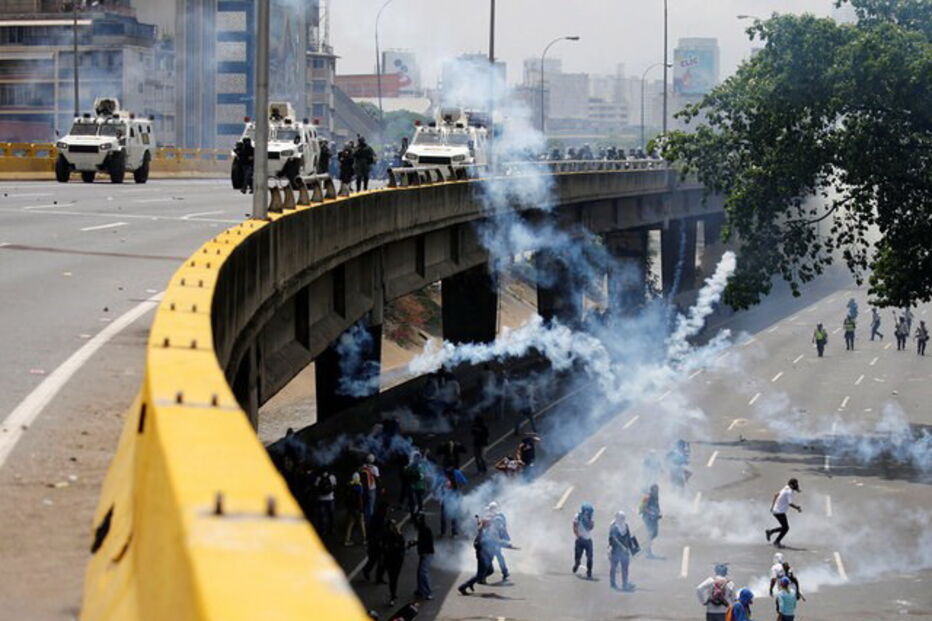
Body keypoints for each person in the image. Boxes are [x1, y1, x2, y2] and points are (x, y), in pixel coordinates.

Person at [458, 516, 496, 595]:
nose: (491, 524)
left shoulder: (485, 531)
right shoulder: (483, 534)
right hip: (483, 557)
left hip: (487, 557)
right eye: (489, 523)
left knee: (490, 571)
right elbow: (477, 544)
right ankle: (463, 587)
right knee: (480, 575)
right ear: (486, 524)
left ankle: (472, 583)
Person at [765, 478, 802, 548]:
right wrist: (797, 508)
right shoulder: (789, 492)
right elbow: (790, 503)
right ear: (791, 485)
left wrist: (772, 506)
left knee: (785, 527)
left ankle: (770, 532)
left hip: (776, 510)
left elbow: (776, 495)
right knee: (786, 528)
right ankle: (776, 541)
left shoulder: (786, 487)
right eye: (795, 485)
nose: (797, 485)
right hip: (779, 512)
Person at [608, 510, 637, 591]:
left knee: (625, 568)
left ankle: (625, 583)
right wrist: (622, 547)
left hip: (625, 551)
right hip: (615, 551)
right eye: (621, 518)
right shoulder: (614, 527)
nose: (623, 519)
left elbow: (628, 536)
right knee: (613, 567)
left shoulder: (625, 525)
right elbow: (614, 539)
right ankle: (612, 583)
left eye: (623, 518)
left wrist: (632, 547)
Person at [485, 501, 512, 582]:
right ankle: (505, 572)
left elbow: (497, 530)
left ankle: (483, 575)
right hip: (495, 540)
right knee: (498, 557)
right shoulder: (498, 516)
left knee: (491, 558)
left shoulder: (497, 518)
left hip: (494, 541)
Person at [382, 519, 407, 606]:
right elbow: (402, 547)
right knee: (393, 579)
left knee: (393, 579)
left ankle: (393, 596)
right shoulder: (397, 537)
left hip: (392, 561)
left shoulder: (387, 537)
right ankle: (393, 596)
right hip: (395, 561)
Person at [362, 501, 388, 583]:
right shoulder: (379, 519)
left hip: (376, 542)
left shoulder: (379, 517)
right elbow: (377, 531)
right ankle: (378, 577)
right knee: (379, 560)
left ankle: (370, 572)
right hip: (376, 543)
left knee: (375, 560)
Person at [410, 513, 435, 600]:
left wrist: (416, 543)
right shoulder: (422, 529)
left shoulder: (425, 530)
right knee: (419, 573)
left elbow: (427, 543)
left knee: (423, 573)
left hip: (427, 554)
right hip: (423, 553)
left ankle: (428, 592)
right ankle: (420, 590)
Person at [438, 466, 465, 537]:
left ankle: (448, 532)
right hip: (448, 499)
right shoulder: (449, 477)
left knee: (450, 516)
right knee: (448, 516)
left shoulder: (448, 478)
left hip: (450, 499)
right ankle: (451, 532)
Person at [572, 502, 595, 579]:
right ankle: (577, 564)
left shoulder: (590, 517)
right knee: (578, 557)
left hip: (588, 540)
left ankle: (589, 572)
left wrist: (589, 521)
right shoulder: (577, 516)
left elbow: (591, 527)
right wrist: (579, 536)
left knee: (590, 557)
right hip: (580, 541)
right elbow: (575, 528)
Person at [638, 484, 662, 559]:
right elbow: (642, 508)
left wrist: (658, 514)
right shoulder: (647, 497)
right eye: (655, 490)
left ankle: (646, 546)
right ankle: (647, 551)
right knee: (649, 533)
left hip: (654, 518)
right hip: (648, 518)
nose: (657, 491)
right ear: (652, 490)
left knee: (654, 533)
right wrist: (651, 513)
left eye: (657, 490)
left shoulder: (656, 497)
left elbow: (657, 506)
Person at [344, 472, 367, 546]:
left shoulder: (349, 485)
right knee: (362, 523)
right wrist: (361, 509)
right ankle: (364, 539)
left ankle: (347, 540)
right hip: (358, 508)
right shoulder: (359, 486)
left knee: (350, 524)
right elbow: (360, 499)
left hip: (351, 508)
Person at [312, 468, 337, 537]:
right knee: (331, 515)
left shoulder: (319, 477)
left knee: (322, 516)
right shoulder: (332, 477)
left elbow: (315, 487)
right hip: (330, 498)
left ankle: (322, 530)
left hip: (321, 499)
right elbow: (334, 486)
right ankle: (331, 529)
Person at [404, 452, 427, 516]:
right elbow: (406, 473)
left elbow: (421, 476)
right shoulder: (410, 466)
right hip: (414, 486)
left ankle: (420, 510)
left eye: (418, 458)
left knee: (419, 499)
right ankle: (414, 512)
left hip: (419, 486)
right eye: (415, 458)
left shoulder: (420, 467)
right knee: (413, 500)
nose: (417, 459)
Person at [360, 454, 381, 522]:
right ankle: (370, 521)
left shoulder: (363, 467)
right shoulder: (374, 468)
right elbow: (377, 478)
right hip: (371, 489)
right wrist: (381, 486)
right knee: (371, 506)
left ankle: (363, 520)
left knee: (365, 504)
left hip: (364, 489)